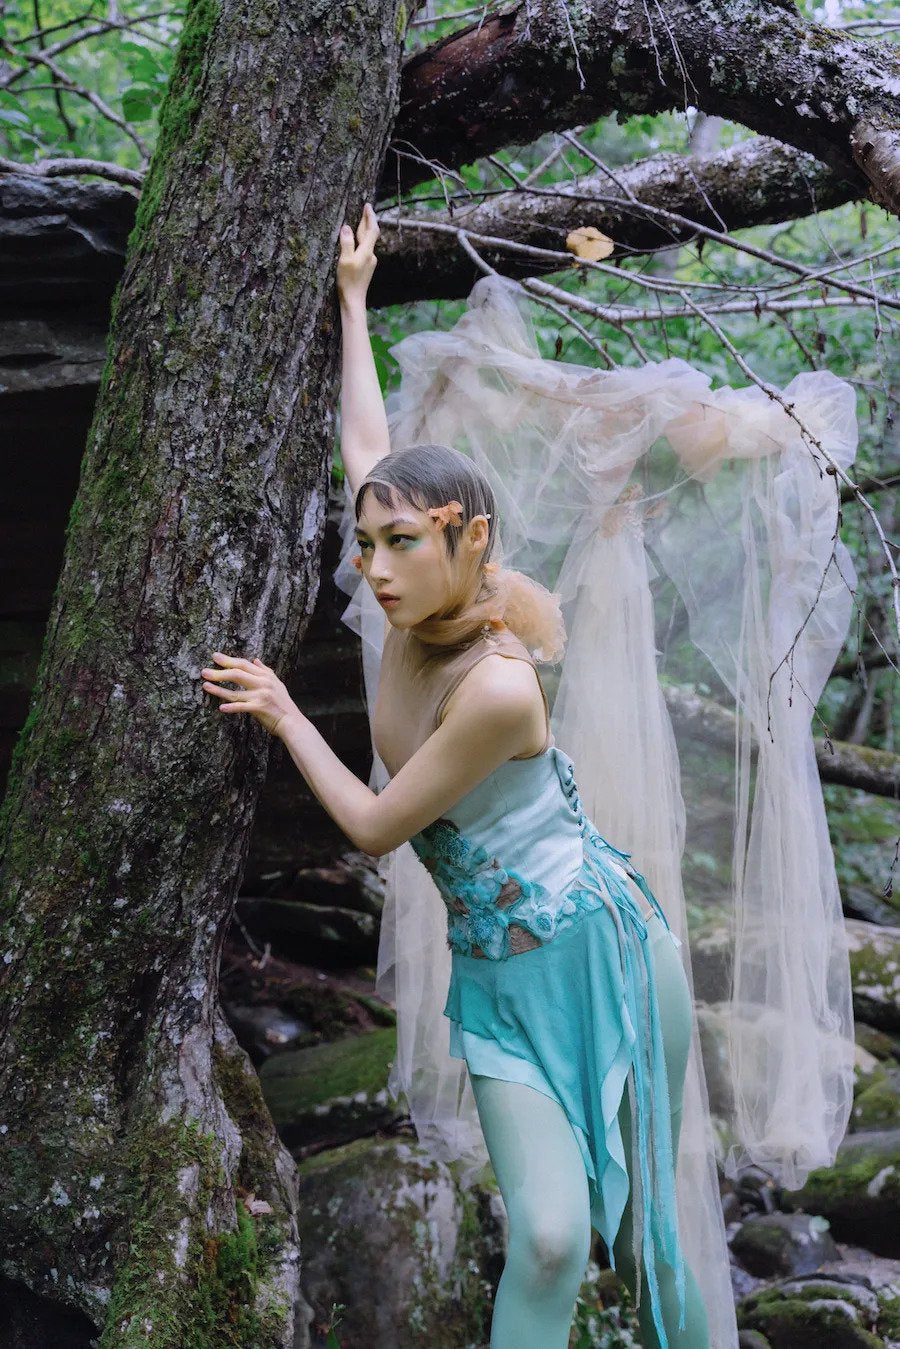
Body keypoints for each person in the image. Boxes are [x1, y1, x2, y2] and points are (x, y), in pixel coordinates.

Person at [201, 203, 858, 1349]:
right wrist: (352, 300)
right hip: (503, 982)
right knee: (551, 1236)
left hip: (608, 953)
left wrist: (285, 711)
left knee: (654, 1231)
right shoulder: (402, 596)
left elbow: (369, 826)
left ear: (471, 543)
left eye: (403, 543)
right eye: (369, 543)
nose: (376, 567)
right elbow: (372, 450)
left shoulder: (501, 684)